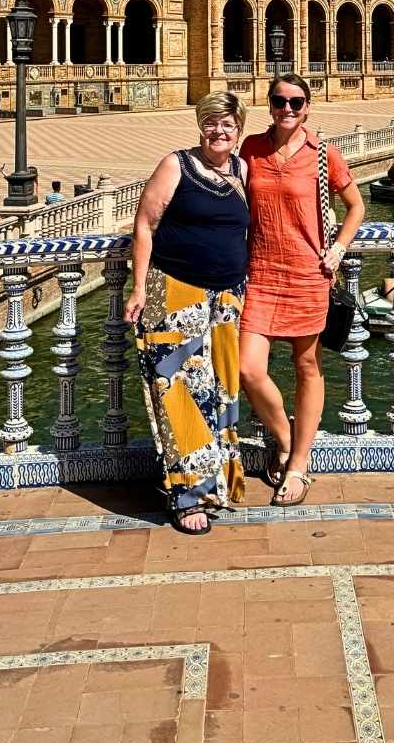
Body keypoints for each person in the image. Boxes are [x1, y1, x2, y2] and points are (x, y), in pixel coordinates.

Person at [124, 91, 249, 535]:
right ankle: (187, 495)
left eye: (228, 125)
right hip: (175, 291)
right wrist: (138, 286)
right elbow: (145, 223)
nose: (220, 131)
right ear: (200, 126)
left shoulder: (241, 169)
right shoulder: (175, 165)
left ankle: (218, 482)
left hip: (228, 296)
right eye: (212, 123)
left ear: (239, 131)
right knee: (177, 389)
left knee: (222, 388)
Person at [239, 74, 366, 506]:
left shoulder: (323, 153)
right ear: (269, 104)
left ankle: (298, 465)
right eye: (279, 101)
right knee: (248, 368)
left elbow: (356, 206)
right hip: (260, 273)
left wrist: (339, 250)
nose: (287, 109)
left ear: (308, 107)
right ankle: (287, 438)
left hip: (308, 274)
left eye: (296, 102)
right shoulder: (251, 148)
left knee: (306, 365)